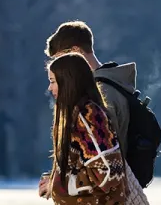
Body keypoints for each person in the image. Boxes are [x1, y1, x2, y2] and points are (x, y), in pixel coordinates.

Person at [38, 53, 132, 204]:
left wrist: (58, 185)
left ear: (69, 82)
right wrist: (56, 179)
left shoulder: (88, 115)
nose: (50, 88)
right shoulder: (81, 113)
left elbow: (108, 172)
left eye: (53, 81)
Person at [44, 21, 133, 156]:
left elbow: (108, 154)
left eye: (61, 59)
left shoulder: (104, 92)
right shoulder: (112, 84)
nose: (58, 68)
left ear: (76, 52)